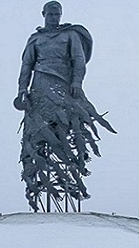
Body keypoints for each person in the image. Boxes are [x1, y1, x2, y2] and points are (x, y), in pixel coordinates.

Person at [16, 1, 116, 209]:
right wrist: (21, 90)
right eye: (51, 13)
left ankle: (73, 171)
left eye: (57, 14)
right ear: (43, 14)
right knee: (38, 134)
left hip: (65, 84)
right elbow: (26, 65)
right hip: (41, 85)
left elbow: (78, 59)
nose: (54, 17)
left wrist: (77, 82)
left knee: (69, 126)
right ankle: (39, 181)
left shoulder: (70, 35)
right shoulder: (35, 39)